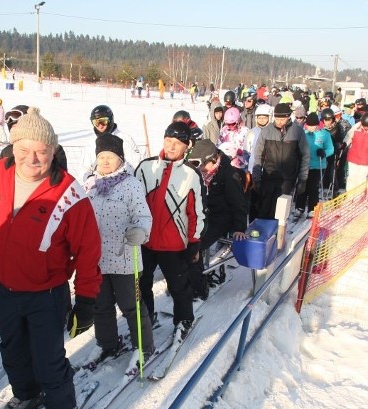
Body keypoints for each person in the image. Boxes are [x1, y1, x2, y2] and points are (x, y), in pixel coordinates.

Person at [0, 107, 102, 409]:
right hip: (2, 288)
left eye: (42, 151)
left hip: (45, 293)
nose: (32, 159)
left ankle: (61, 406)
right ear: (12, 147)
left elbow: (89, 251)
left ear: (53, 151)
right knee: (12, 350)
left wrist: (87, 300)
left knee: (47, 355)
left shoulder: (70, 193)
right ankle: (26, 393)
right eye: (24, 150)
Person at [82, 133, 155, 369]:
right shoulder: (89, 185)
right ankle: (107, 343)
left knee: (131, 306)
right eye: (101, 156)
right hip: (97, 260)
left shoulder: (131, 184)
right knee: (100, 306)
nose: (104, 161)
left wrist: (140, 232)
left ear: (120, 159)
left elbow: (143, 216)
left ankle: (144, 347)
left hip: (125, 259)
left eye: (110, 157)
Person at [135, 122, 203, 340]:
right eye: (168, 141)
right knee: (142, 284)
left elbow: (197, 213)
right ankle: (147, 318)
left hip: (173, 244)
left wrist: (194, 242)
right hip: (145, 241)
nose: (172, 147)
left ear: (187, 146)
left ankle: (184, 321)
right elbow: (133, 202)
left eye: (177, 143)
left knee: (178, 287)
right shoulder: (146, 167)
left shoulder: (191, 174)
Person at [187, 139, 247, 299]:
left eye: (202, 164)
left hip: (221, 217)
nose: (199, 168)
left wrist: (240, 228)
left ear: (213, 160)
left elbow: (239, 203)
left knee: (194, 245)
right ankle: (184, 277)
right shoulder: (204, 173)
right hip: (203, 214)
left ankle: (199, 288)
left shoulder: (229, 175)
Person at [251, 102, 310, 220]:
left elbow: (305, 155)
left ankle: (278, 233)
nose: (279, 122)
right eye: (277, 118)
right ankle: (262, 232)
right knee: (264, 207)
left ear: (288, 117)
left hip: (287, 178)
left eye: (282, 119)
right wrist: (256, 174)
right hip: (269, 175)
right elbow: (258, 154)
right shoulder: (267, 131)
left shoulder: (297, 131)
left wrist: (303, 179)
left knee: (280, 210)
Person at [80, 104, 144, 181]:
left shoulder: (125, 139)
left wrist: (118, 178)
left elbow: (135, 165)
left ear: (110, 119)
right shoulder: (91, 143)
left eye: (103, 121)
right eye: (96, 122)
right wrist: (90, 179)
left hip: (122, 184)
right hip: (97, 185)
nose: (100, 126)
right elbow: (84, 168)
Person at [0, 104, 69, 168]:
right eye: (13, 130)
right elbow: (0, 175)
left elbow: (61, 177)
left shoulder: (53, 150)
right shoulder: (7, 151)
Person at [300, 112, 335, 215]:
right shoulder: (302, 132)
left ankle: (312, 208)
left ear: (317, 124)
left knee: (312, 187)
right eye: (309, 126)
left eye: (313, 126)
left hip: (317, 165)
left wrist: (324, 153)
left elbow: (330, 149)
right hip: (304, 164)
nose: (310, 128)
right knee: (302, 186)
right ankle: (299, 207)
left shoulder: (324, 134)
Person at [343, 111, 368, 192]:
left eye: (367, 126)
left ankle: (359, 196)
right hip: (353, 156)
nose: (365, 128)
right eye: (364, 125)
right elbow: (349, 135)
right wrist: (345, 143)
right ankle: (349, 195)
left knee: (361, 179)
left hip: (365, 159)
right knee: (351, 177)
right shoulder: (357, 126)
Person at [217, 106, 250, 172]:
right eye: (228, 124)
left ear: (237, 121)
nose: (230, 126)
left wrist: (241, 151)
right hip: (226, 164)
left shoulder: (245, 131)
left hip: (241, 166)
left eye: (232, 124)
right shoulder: (224, 130)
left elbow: (250, 149)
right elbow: (218, 145)